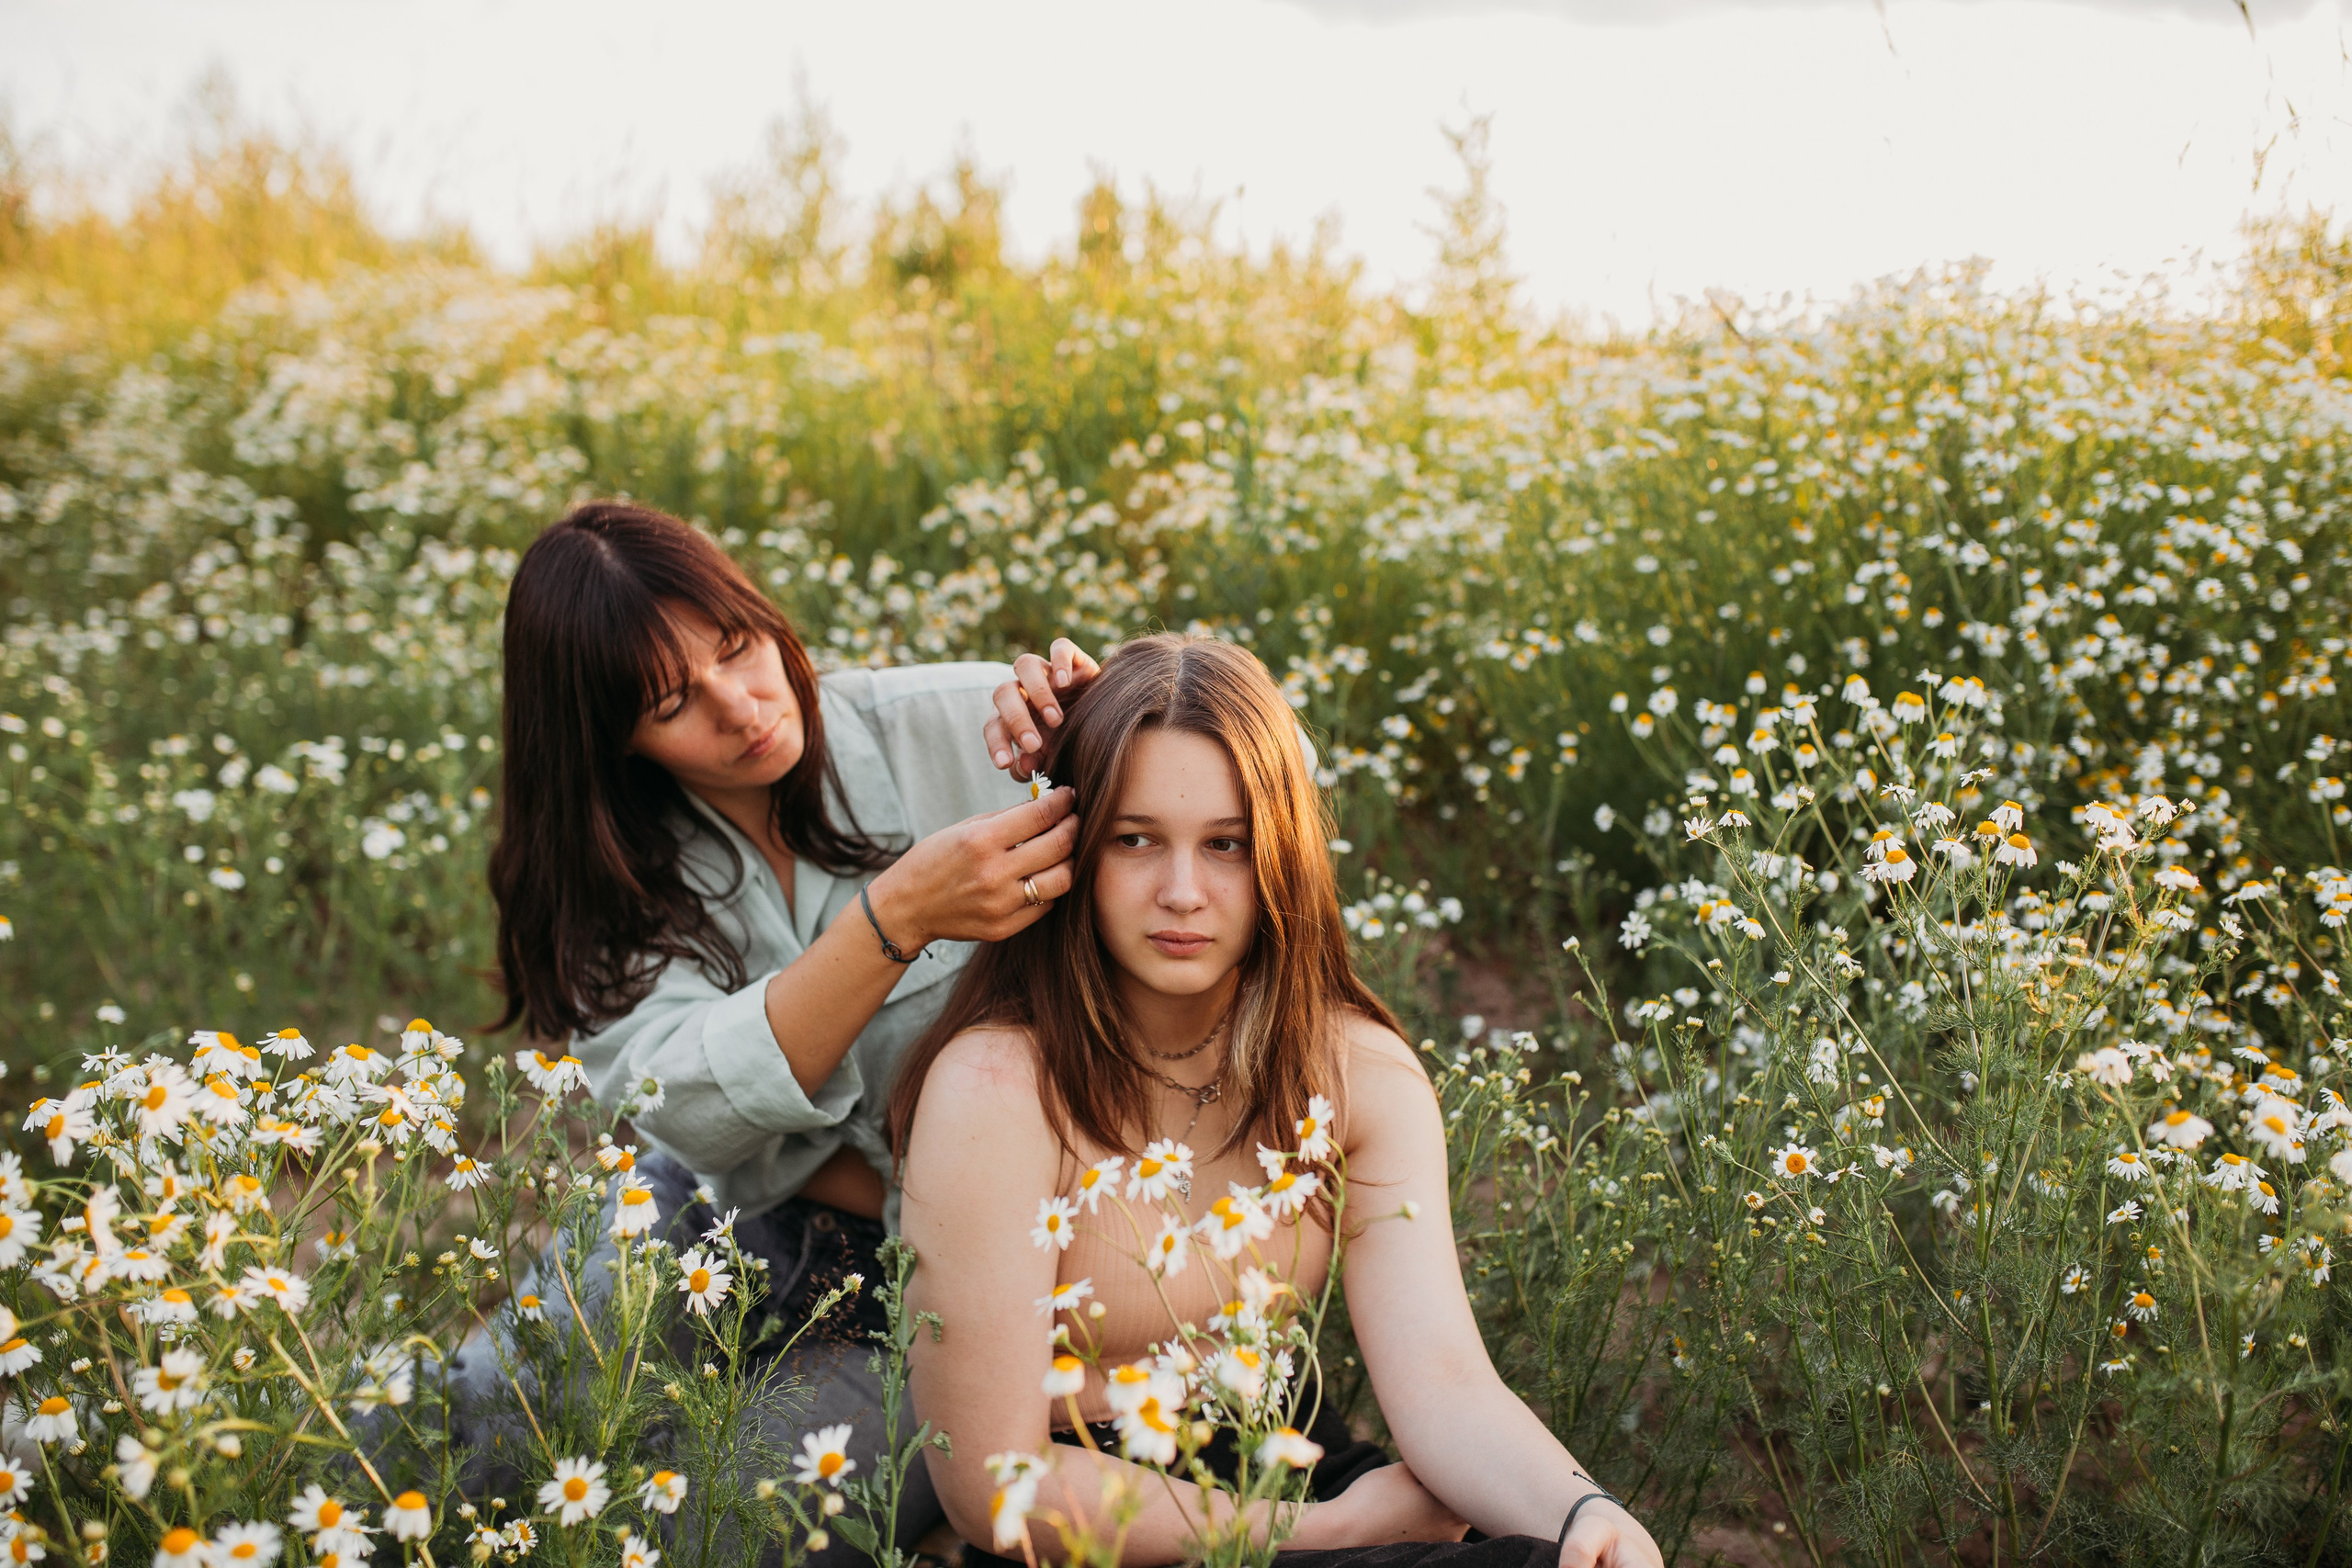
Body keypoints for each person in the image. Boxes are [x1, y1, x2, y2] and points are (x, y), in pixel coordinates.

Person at [888, 635, 1665, 1568]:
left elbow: (1444, 1380)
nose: (1183, 892)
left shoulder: (1354, 1071)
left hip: (1290, 1460)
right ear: (1072, 848)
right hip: (1091, 1524)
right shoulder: (995, 1089)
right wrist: (1330, 1531)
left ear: (1282, 857)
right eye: (1135, 839)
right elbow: (994, 1487)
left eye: (1227, 844)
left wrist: (1586, 1514)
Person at [472, 500, 1085, 1561]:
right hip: (729, 1212)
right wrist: (894, 919)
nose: (740, 705)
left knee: (721, 1529)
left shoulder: (967, 726)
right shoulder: (609, 863)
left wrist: (1121, 713)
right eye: (672, 702)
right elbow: (682, 1113)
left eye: (736, 646)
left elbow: (1253, 781)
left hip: (956, 1271)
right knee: (477, 1412)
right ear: (610, 739)